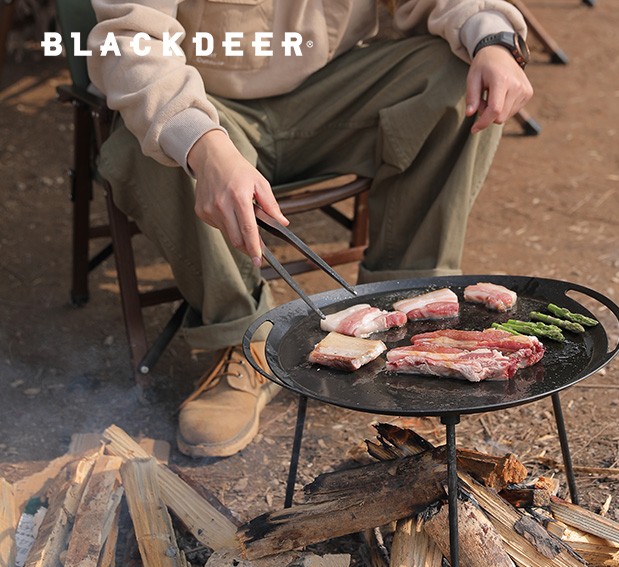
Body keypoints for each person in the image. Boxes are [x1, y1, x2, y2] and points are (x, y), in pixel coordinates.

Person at [86, 0, 533, 458]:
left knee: (460, 76)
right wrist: (202, 144)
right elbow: (131, 40)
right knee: (151, 141)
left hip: (333, 95)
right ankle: (247, 341)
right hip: (209, 103)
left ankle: (405, 319)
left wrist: (492, 39)